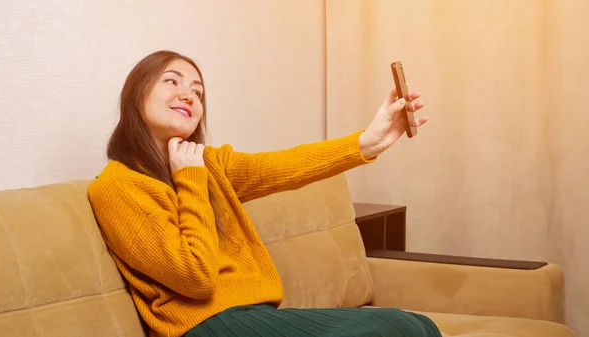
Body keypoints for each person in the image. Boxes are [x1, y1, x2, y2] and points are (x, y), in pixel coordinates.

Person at [87, 50, 440, 337]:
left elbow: (285, 167)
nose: (188, 95)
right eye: (171, 81)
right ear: (137, 94)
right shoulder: (118, 186)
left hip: (252, 317)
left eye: (197, 91)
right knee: (396, 327)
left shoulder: (209, 164)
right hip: (205, 327)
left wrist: (368, 140)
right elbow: (195, 278)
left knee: (421, 325)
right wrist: (190, 181)